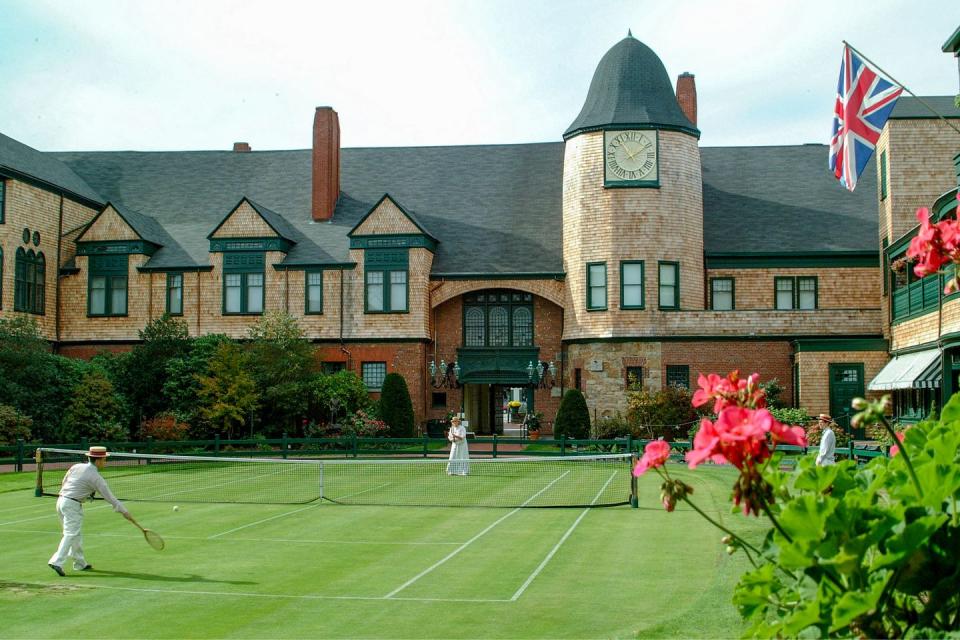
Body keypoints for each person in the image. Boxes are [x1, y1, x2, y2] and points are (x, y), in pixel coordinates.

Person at [48, 446, 137, 576]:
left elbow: (64, 481)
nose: (105, 462)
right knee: (71, 534)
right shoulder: (96, 477)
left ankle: (80, 563)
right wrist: (124, 511)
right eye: (104, 459)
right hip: (72, 505)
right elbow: (111, 498)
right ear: (99, 460)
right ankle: (57, 561)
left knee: (75, 535)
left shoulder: (76, 466)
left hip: (61, 501)